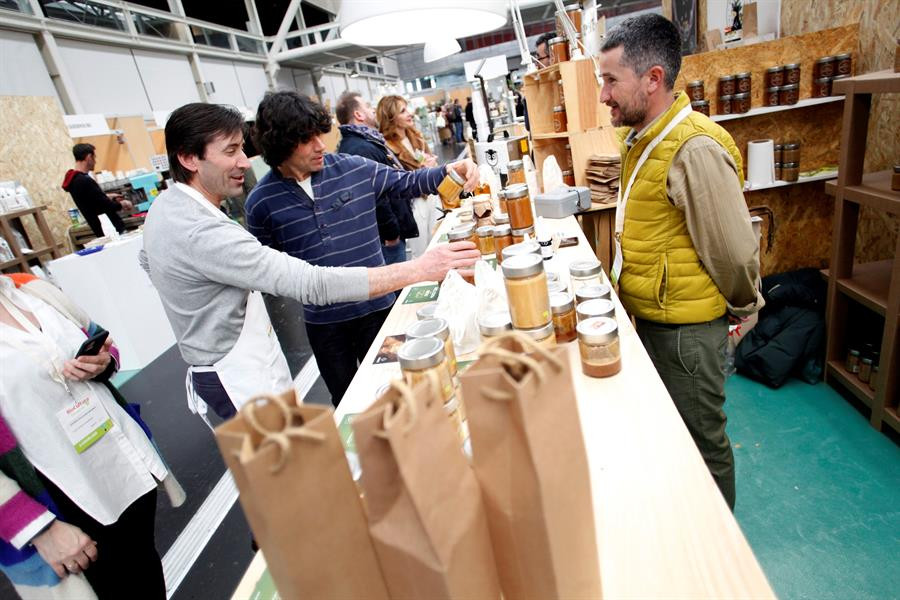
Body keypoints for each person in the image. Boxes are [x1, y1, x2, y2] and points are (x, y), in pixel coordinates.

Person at [142, 102, 479, 421]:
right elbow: (308, 282)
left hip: (365, 313)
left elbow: (149, 261)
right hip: (249, 365)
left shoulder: (167, 209)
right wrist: (419, 268)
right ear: (188, 158)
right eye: (231, 151)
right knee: (327, 426)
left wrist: (196, 303)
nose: (245, 162)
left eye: (241, 149)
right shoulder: (216, 223)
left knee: (398, 386)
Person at [599, 14, 763, 510]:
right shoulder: (647, 139)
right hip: (658, 321)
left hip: (687, 335)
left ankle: (718, 560)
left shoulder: (692, 147)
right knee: (676, 438)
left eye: (610, 80)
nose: (603, 95)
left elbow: (733, 250)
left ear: (653, 79)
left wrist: (744, 305)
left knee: (702, 444)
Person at [243, 91, 479, 408]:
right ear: (280, 145)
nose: (319, 146)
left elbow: (407, 182)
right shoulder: (260, 204)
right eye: (305, 139)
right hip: (325, 327)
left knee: (400, 387)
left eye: (319, 135)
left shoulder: (353, 168)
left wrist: (452, 170)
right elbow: (268, 269)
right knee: (348, 400)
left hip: (379, 312)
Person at [0, 274, 181, 599]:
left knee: (146, 578)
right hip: (64, 503)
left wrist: (104, 363)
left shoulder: (31, 289)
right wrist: (37, 528)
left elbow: (103, 343)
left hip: (126, 472)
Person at [335, 91, 417, 265]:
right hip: (387, 238)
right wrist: (391, 232)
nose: (372, 109)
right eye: (366, 106)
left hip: (390, 230)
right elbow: (375, 194)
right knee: (397, 287)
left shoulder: (366, 142)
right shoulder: (361, 149)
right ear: (358, 114)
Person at [377, 95, 440, 261]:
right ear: (391, 117)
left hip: (431, 196)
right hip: (412, 204)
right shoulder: (386, 148)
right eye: (403, 111)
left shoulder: (416, 136)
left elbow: (430, 159)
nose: (409, 113)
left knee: (437, 242)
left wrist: (432, 164)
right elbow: (395, 180)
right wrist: (422, 170)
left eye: (407, 109)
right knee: (421, 254)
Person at [62, 144, 133, 238]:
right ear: (88, 157)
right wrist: (123, 204)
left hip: (101, 231)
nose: (95, 161)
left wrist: (106, 196)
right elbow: (106, 206)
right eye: (94, 157)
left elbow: (92, 201)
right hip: (112, 231)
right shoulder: (84, 180)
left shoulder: (74, 180)